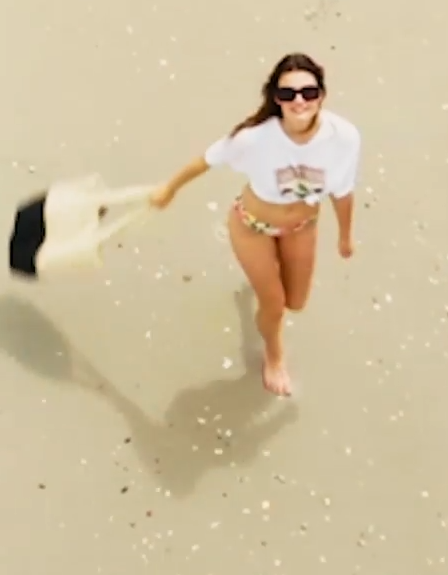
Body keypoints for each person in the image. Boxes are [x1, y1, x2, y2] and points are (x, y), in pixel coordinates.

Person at [151, 53, 360, 397]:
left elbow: (343, 188)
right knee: (274, 305)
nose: (299, 101)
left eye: (308, 92)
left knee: (296, 302)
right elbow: (205, 160)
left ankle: (264, 298)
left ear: (322, 94)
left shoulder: (344, 137)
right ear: (276, 98)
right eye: (288, 93)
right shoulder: (253, 138)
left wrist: (345, 237)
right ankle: (274, 356)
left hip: (302, 226)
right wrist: (169, 189)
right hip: (252, 226)